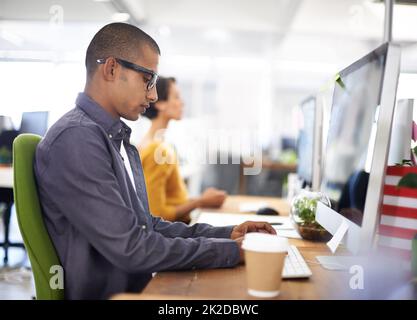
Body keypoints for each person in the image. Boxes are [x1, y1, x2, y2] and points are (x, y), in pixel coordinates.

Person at [34, 22, 276, 300]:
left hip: (138, 285)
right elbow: (132, 247)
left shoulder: (106, 137)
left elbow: (146, 225)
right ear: (111, 69)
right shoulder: (77, 138)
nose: (153, 94)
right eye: (147, 79)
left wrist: (227, 234)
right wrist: (233, 251)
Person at [138, 76, 226, 223]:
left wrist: (201, 199)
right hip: (173, 234)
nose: (182, 103)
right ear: (160, 103)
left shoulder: (151, 143)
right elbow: (157, 214)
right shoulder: (157, 150)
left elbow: (168, 201)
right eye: (176, 97)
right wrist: (200, 202)